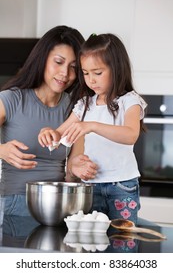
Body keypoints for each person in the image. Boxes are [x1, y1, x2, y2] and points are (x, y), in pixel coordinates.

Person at [38, 33, 147, 224]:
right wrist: (49, 133)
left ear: (117, 69)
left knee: (122, 240)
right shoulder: (84, 104)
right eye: (86, 73)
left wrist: (92, 126)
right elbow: (61, 133)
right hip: (90, 187)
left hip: (122, 186)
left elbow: (131, 135)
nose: (91, 80)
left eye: (97, 73)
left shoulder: (129, 101)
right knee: (92, 241)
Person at [0, 25, 97, 216]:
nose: (65, 74)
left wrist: (76, 168)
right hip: (14, 204)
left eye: (73, 68)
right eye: (58, 62)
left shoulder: (76, 109)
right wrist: (1, 150)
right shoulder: (11, 99)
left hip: (58, 207)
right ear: (42, 59)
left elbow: (71, 169)